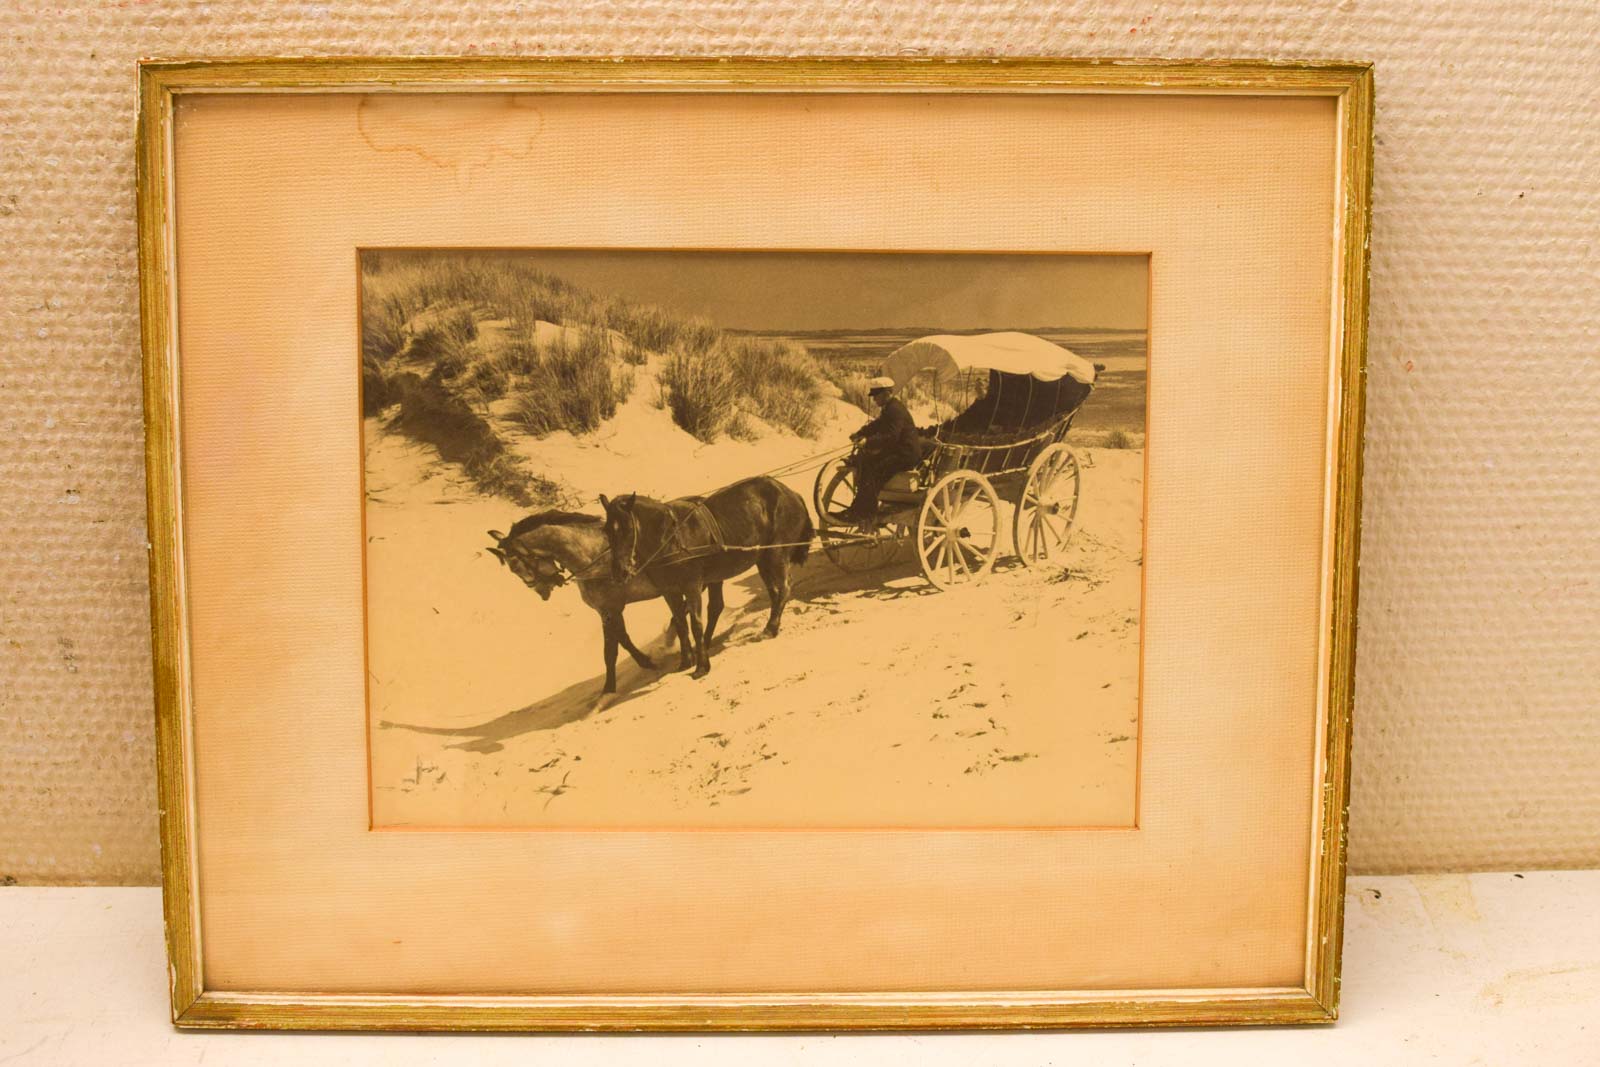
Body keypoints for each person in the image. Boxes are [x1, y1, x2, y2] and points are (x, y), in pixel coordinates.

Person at [839, 377, 922, 523]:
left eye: (876, 395)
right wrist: (861, 433)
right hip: (899, 451)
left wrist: (868, 441)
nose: (874, 400)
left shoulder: (895, 410)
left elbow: (891, 436)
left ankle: (865, 512)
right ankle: (860, 509)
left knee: (873, 470)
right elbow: (878, 425)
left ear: (887, 393)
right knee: (866, 463)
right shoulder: (890, 408)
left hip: (906, 454)